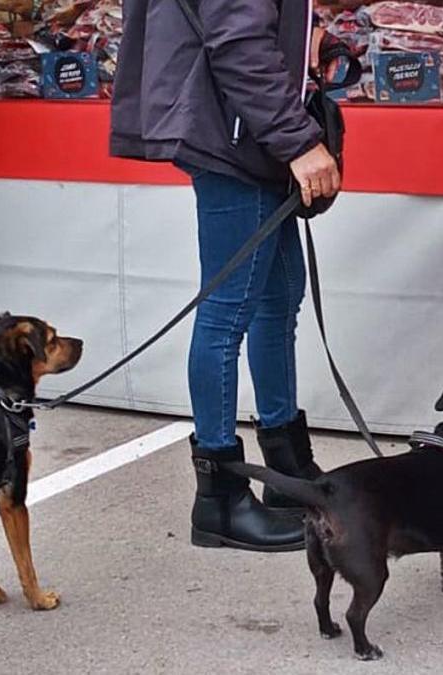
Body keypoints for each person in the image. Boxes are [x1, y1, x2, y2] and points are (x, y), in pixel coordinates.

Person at [111, 1, 341, 552]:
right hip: (234, 135)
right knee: (227, 312)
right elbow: (238, 45)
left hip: (243, 131)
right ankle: (219, 500)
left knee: (279, 298)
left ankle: (286, 470)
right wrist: (299, 141)